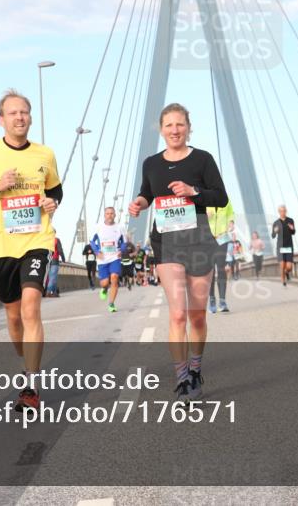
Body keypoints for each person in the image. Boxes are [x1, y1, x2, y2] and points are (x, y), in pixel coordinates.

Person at [0, 90, 62, 410]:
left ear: (30, 117)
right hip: (2, 245)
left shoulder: (45, 155)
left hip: (37, 241)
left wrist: (52, 202)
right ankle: (26, 362)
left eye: (25, 112)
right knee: (14, 317)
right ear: (1, 119)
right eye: (13, 113)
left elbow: (57, 190)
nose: (20, 117)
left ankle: (31, 385)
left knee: (31, 308)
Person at [128, 103, 227, 401]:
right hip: (166, 243)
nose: (175, 130)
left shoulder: (203, 159)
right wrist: (139, 203)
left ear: (189, 127)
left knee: (197, 315)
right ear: (161, 129)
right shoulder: (151, 163)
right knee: (178, 313)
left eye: (180, 124)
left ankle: (196, 369)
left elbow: (220, 198)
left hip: (198, 241)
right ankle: (182, 377)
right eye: (169, 125)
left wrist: (193, 191)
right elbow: (148, 192)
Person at [90, 207, 125, 313]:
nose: (109, 215)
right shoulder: (98, 227)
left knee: (114, 277)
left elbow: (124, 242)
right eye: (107, 213)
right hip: (103, 259)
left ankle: (111, 303)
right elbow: (92, 241)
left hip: (115, 257)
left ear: (115, 215)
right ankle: (105, 289)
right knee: (104, 283)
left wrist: (121, 251)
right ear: (104, 215)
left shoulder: (120, 227)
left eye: (111, 213)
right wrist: (96, 251)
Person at [206, 202, 235, 313]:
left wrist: (231, 222)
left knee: (221, 268)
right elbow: (195, 216)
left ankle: (222, 302)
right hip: (208, 238)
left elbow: (230, 213)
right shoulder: (204, 197)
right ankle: (212, 300)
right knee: (210, 270)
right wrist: (205, 217)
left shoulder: (225, 199)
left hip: (222, 237)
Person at [271, 206, 296, 286]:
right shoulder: (276, 223)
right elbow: (273, 236)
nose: (283, 212)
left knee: (289, 266)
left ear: (286, 211)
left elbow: (293, 232)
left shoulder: (290, 220)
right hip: (280, 246)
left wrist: (292, 229)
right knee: (282, 265)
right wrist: (275, 231)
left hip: (289, 246)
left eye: (284, 211)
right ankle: (283, 281)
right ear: (279, 212)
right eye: (281, 211)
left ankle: (286, 272)